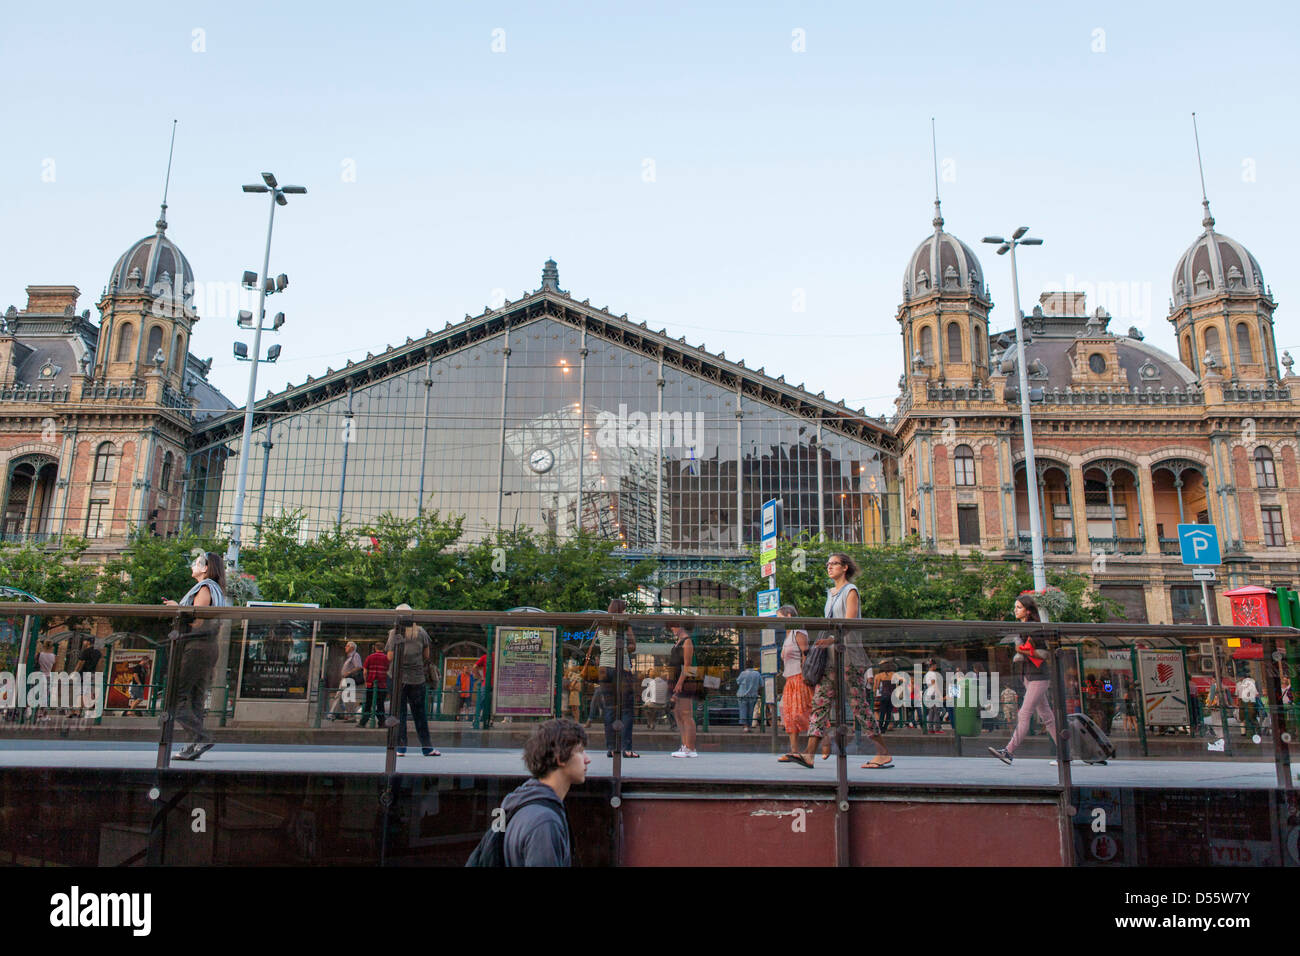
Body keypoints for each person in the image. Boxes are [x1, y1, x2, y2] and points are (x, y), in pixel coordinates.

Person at [792, 553, 893, 770]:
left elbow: (849, 622)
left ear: (845, 567)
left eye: (834, 564)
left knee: (858, 705)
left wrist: (831, 639)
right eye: (827, 564)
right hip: (830, 658)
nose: (829, 567)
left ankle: (883, 752)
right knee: (820, 702)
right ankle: (809, 754)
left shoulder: (850, 591)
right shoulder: (830, 594)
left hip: (849, 656)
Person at [162, 551, 228, 760]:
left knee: (175, 697)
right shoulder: (216, 589)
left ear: (206, 568)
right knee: (195, 698)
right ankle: (192, 746)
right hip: (208, 647)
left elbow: (198, 620)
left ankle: (201, 737)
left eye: (197, 563)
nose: (193, 565)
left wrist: (177, 608)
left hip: (196, 647)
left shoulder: (205, 588)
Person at [502, 718, 590, 867]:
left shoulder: (519, 801)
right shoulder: (545, 822)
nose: (588, 759)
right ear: (560, 758)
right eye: (580, 751)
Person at [989, 594, 1059, 765]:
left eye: (1019, 607)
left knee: (1024, 713)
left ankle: (1008, 751)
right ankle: (1067, 753)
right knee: (1048, 717)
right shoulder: (1022, 629)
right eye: (1015, 607)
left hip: (1038, 677)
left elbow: (1043, 653)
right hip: (1029, 677)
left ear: (1028, 611)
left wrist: (1021, 650)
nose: (1015, 610)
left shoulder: (1035, 629)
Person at [385, 604, 439, 757]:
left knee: (399, 714)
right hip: (417, 678)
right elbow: (426, 655)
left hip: (397, 678)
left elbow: (390, 656)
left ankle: (400, 748)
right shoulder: (421, 632)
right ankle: (427, 748)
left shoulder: (394, 633)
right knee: (420, 714)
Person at [596, 599, 638, 758]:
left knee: (609, 708)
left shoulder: (602, 625)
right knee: (626, 709)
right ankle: (626, 748)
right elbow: (633, 645)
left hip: (604, 668)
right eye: (625, 609)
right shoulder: (624, 624)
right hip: (622, 668)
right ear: (621, 611)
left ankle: (611, 748)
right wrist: (625, 648)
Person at [775, 605, 812, 762]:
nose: (778, 621)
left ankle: (823, 741)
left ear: (789, 616)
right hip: (789, 678)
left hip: (799, 677)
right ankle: (794, 751)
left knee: (801, 713)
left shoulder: (798, 632)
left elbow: (806, 655)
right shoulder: (788, 635)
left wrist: (805, 677)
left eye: (780, 617)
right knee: (788, 713)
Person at [667, 624, 698, 757]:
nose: (672, 629)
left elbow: (688, 665)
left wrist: (680, 683)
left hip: (684, 681)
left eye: (673, 626)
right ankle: (685, 745)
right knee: (678, 714)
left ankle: (690, 747)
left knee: (686, 714)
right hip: (675, 681)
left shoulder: (687, 641)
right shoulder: (678, 642)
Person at [329, 641, 365, 720]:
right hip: (345, 679)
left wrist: (349, 672)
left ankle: (334, 714)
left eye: (347, 646)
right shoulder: (349, 657)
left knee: (346, 697)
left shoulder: (355, 655)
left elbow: (359, 666)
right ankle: (340, 714)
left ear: (352, 647)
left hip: (349, 678)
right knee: (343, 697)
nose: (345, 647)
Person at [357, 642, 389, 728]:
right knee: (380, 704)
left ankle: (363, 722)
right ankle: (381, 722)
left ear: (375, 648)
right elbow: (389, 671)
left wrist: (366, 681)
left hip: (371, 684)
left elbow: (365, 672)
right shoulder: (386, 658)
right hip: (382, 685)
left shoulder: (370, 657)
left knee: (368, 704)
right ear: (383, 648)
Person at [736, 659, 763, 733]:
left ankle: (745, 726)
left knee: (743, 710)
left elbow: (738, 681)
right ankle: (749, 725)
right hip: (753, 695)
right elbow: (761, 684)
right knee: (750, 711)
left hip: (742, 695)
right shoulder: (757, 674)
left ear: (746, 666)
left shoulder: (743, 673)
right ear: (753, 666)